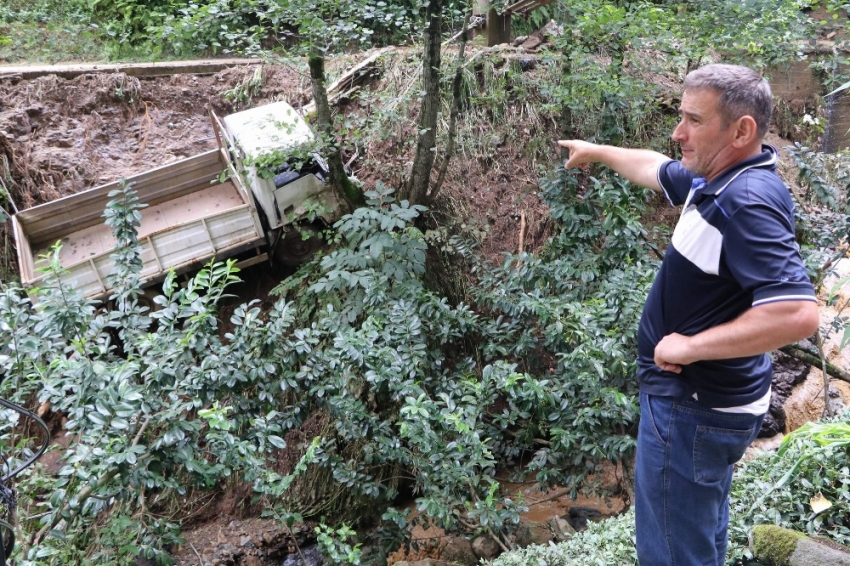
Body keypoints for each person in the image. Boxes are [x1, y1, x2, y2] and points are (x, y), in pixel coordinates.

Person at [558, 64, 820, 566]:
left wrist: (688, 346)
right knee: (697, 543)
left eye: (693, 121)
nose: (679, 133)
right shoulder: (719, 179)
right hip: (709, 405)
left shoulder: (744, 201)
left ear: (741, 130)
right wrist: (596, 151)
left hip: (693, 408)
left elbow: (796, 313)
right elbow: (654, 168)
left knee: (672, 556)